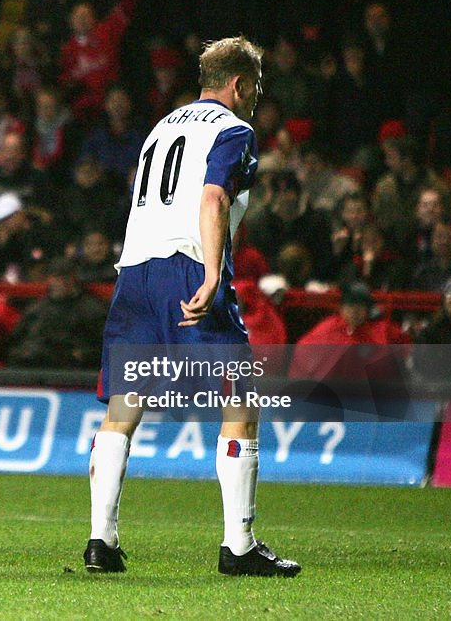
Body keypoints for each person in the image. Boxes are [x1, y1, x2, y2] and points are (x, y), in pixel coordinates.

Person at [84, 37, 300, 577]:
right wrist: (209, 271)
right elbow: (212, 198)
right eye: (255, 87)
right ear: (239, 85)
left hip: (135, 270)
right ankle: (239, 546)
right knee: (242, 398)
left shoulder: (162, 126)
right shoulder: (235, 131)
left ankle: (100, 541)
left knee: (124, 407)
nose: (255, 97)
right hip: (186, 266)